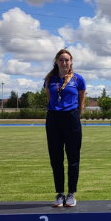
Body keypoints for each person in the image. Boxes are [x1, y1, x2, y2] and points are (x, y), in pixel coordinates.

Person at [44, 49, 86, 208]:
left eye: (67, 60)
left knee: (73, 158)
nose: (64, 63)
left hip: (72, 118)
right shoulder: (50, 79)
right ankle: (60, 193)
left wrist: (75, 115)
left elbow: (81, 101)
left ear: (71, 61)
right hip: (54, 118)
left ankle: (71, 194)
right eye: (61, 60)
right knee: (56, 158)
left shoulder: (78, 79)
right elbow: (50, 98)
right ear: (56, 61)